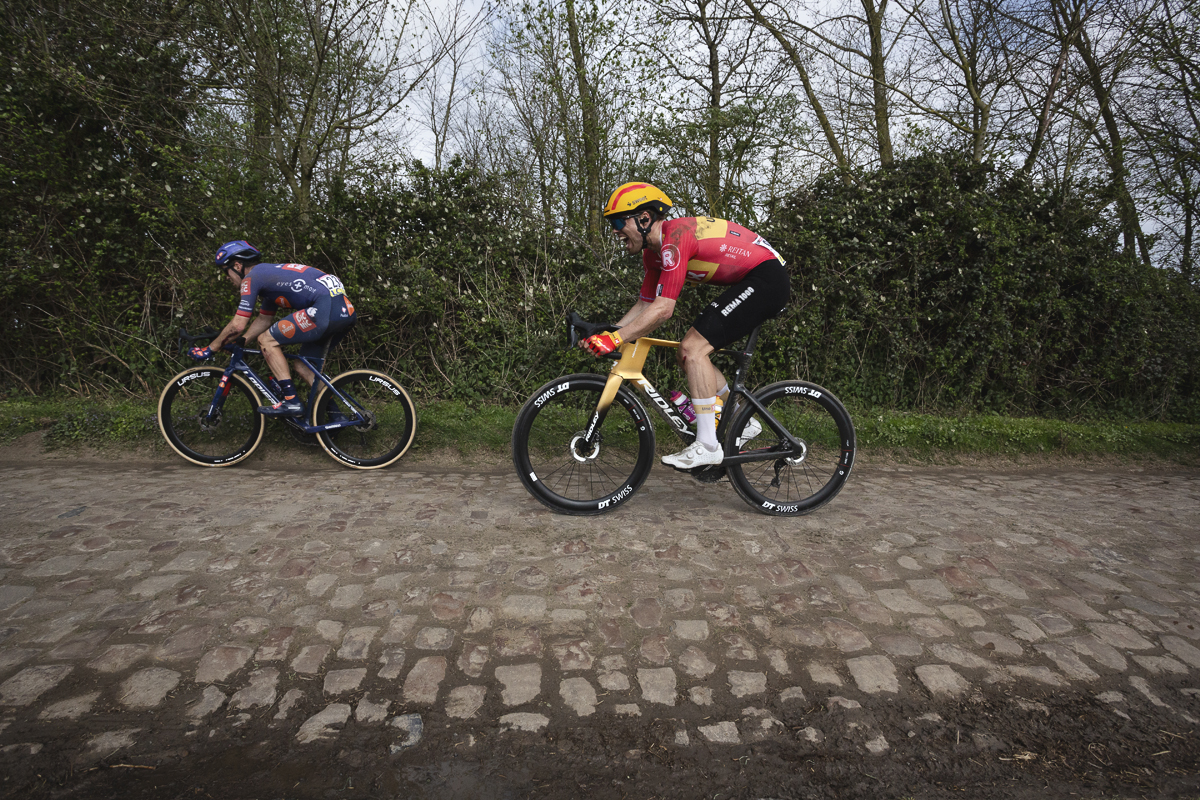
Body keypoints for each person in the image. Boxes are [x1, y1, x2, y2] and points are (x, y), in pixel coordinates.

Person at [583, 182, 790, 469]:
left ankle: (707, 445)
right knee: (686, 353)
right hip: (752, 279)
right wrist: (609, 333)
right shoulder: (652, 253)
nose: (615, 230)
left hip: (767, 278)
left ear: (644, 219)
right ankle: (745, 420)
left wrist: (616, 339)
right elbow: (645, 304)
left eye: (619, 221)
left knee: (694, 348)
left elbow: (663, 309)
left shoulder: (676, 238)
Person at [189, 240, 357, 417]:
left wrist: (210, 349)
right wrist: (240, 342)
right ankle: (336, 415)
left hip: (324, 310)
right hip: (345, 311)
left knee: (266, 340)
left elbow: (238, 325)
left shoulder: (252, 278)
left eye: (226, 272)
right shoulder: (271, 279)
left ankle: (291, 401)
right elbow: (264, 319)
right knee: (303, 367)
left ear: (237, 266)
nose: (227, 278)